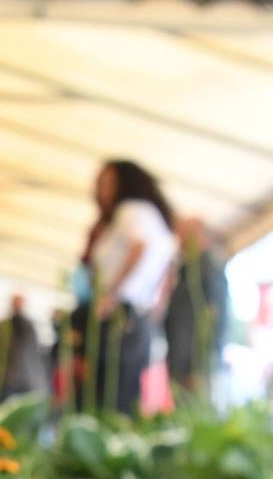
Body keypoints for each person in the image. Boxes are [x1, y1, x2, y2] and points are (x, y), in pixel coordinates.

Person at [84, 160, 178, 415]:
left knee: (112, 395)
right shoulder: (149, 215)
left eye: (106, 183)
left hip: (122, 316)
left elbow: (140, 247)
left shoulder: (130, 210)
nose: (99, 189)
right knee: (123, 395)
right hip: (136, 319)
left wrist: (112, 294)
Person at [163, 217, 228, 396]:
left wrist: (201, 367)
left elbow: (217, 320)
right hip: (178, 361)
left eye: (185, 235)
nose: (180, 241)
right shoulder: (185, 269)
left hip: (196, 368)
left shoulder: (210, 268)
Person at [0, 294, 50, 402]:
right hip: (5, 382)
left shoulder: (29, 327)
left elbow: (35, 357)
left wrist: (39, 385)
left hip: (25, 382)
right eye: (15, 303)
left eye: (20, 304)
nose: (17, 307)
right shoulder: (2, 327)